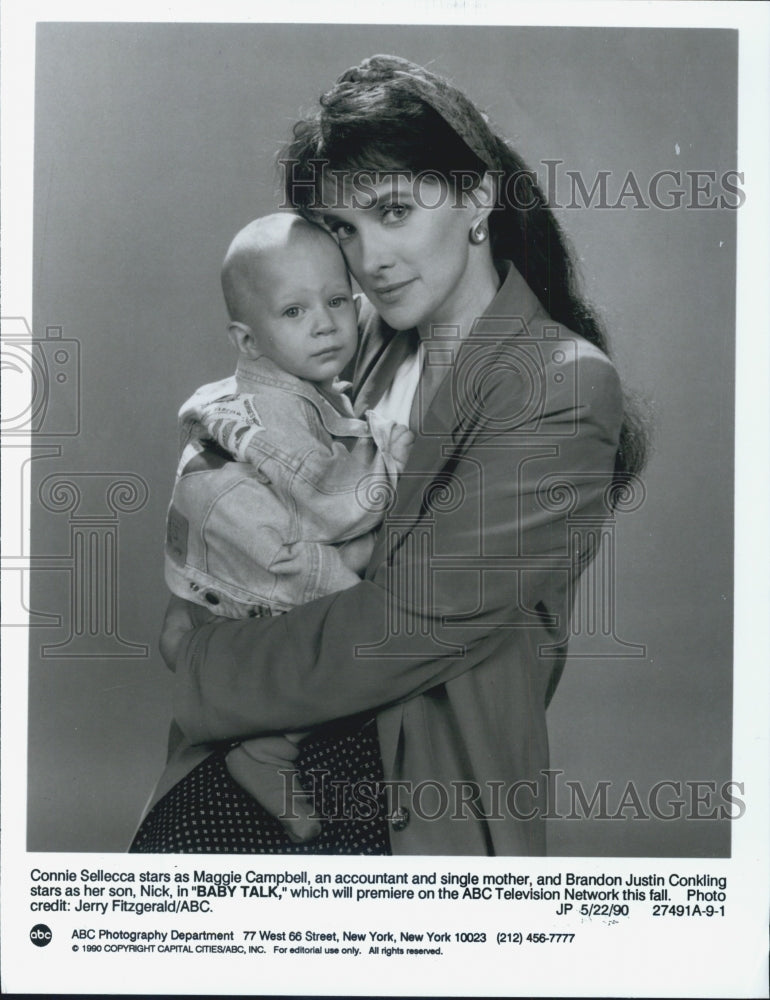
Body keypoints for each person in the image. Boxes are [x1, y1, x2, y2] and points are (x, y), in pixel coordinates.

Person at [131, 53, 646, 856]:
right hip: (248, 768)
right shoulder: (352, 335)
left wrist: (201, 658)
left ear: (477, 197)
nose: (368, 260)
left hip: (405, 807)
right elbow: (236, 460)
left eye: (395, 211)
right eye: (344, 227)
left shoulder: (562, 385)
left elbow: (400, 630)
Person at [162, 212, 414, 844]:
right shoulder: (272, 412)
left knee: (339, 625)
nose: (325, 324)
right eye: (294, 313)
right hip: (258, 566)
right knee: (360, 628)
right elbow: (336, 501)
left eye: (335, 301)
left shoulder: (303, 383)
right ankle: (270, 749)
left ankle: (265, 740)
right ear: (249, 342)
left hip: (241, 556)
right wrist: (393, 446)